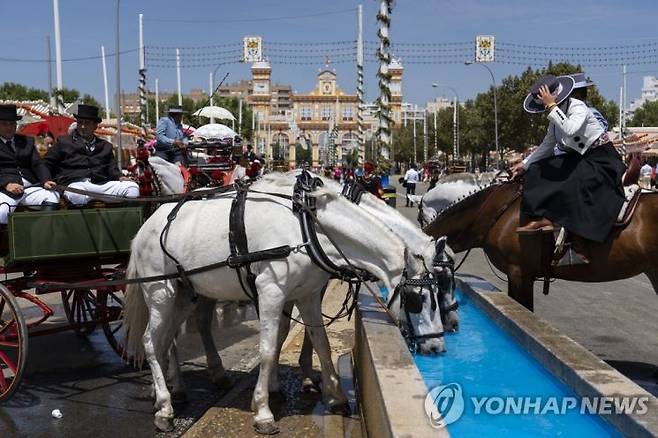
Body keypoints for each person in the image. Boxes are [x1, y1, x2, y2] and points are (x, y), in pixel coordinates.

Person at [510, 75, 625, 263]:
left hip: (602, 159)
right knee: (538, 170)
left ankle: (580, 240)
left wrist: (551, 106)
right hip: (581, 158)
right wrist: (525, 164)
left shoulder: (577, 106)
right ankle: (543, 218)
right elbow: (547, 145)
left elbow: (571, 129)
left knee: (572, 180)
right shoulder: (555, 113)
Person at [45, 104, 139, 206]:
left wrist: (120, 177)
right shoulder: (64, 142)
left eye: (87, 123)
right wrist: (46, 180)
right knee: (77, 195)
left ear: (95, 126)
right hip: (76, 185)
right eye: (80, 123)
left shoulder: (105, 146)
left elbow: (112, 168)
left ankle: (125, 220)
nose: (83, 126)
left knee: (132, 188)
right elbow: (46, 163)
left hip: (101, 184)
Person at [0, 104, 59, 224]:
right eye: (5, 124)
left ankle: (39, 235)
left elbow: (38, 164)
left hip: (29, 187)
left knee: (53, 197)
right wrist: (6, 184)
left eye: (12, 124)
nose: (9, 127)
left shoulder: (27, 140)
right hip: (5, 190)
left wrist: (46, 180)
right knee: (1, 213)